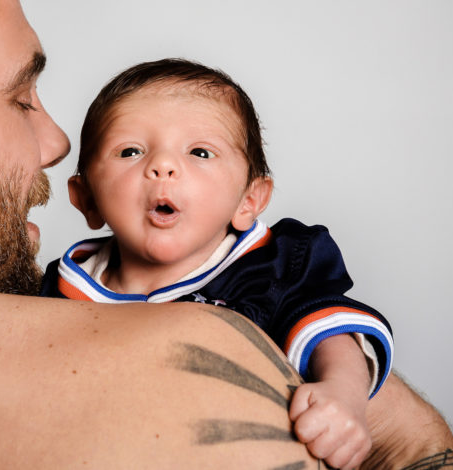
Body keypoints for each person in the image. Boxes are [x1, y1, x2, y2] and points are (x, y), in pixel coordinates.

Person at [0, 0, 453, 468]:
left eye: (201, 152)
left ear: (251, 199)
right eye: (22, 99)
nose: (55, 143)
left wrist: (343, 383)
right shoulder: (188, 372)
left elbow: (327, 318)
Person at [40, 59, 391, 468]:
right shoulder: (57, 294)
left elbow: (329, 329)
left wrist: (343, 394)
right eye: (130, 151)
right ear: (87, 199)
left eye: (200, 152)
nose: (163, 166)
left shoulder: (266, 271)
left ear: (249, 201)